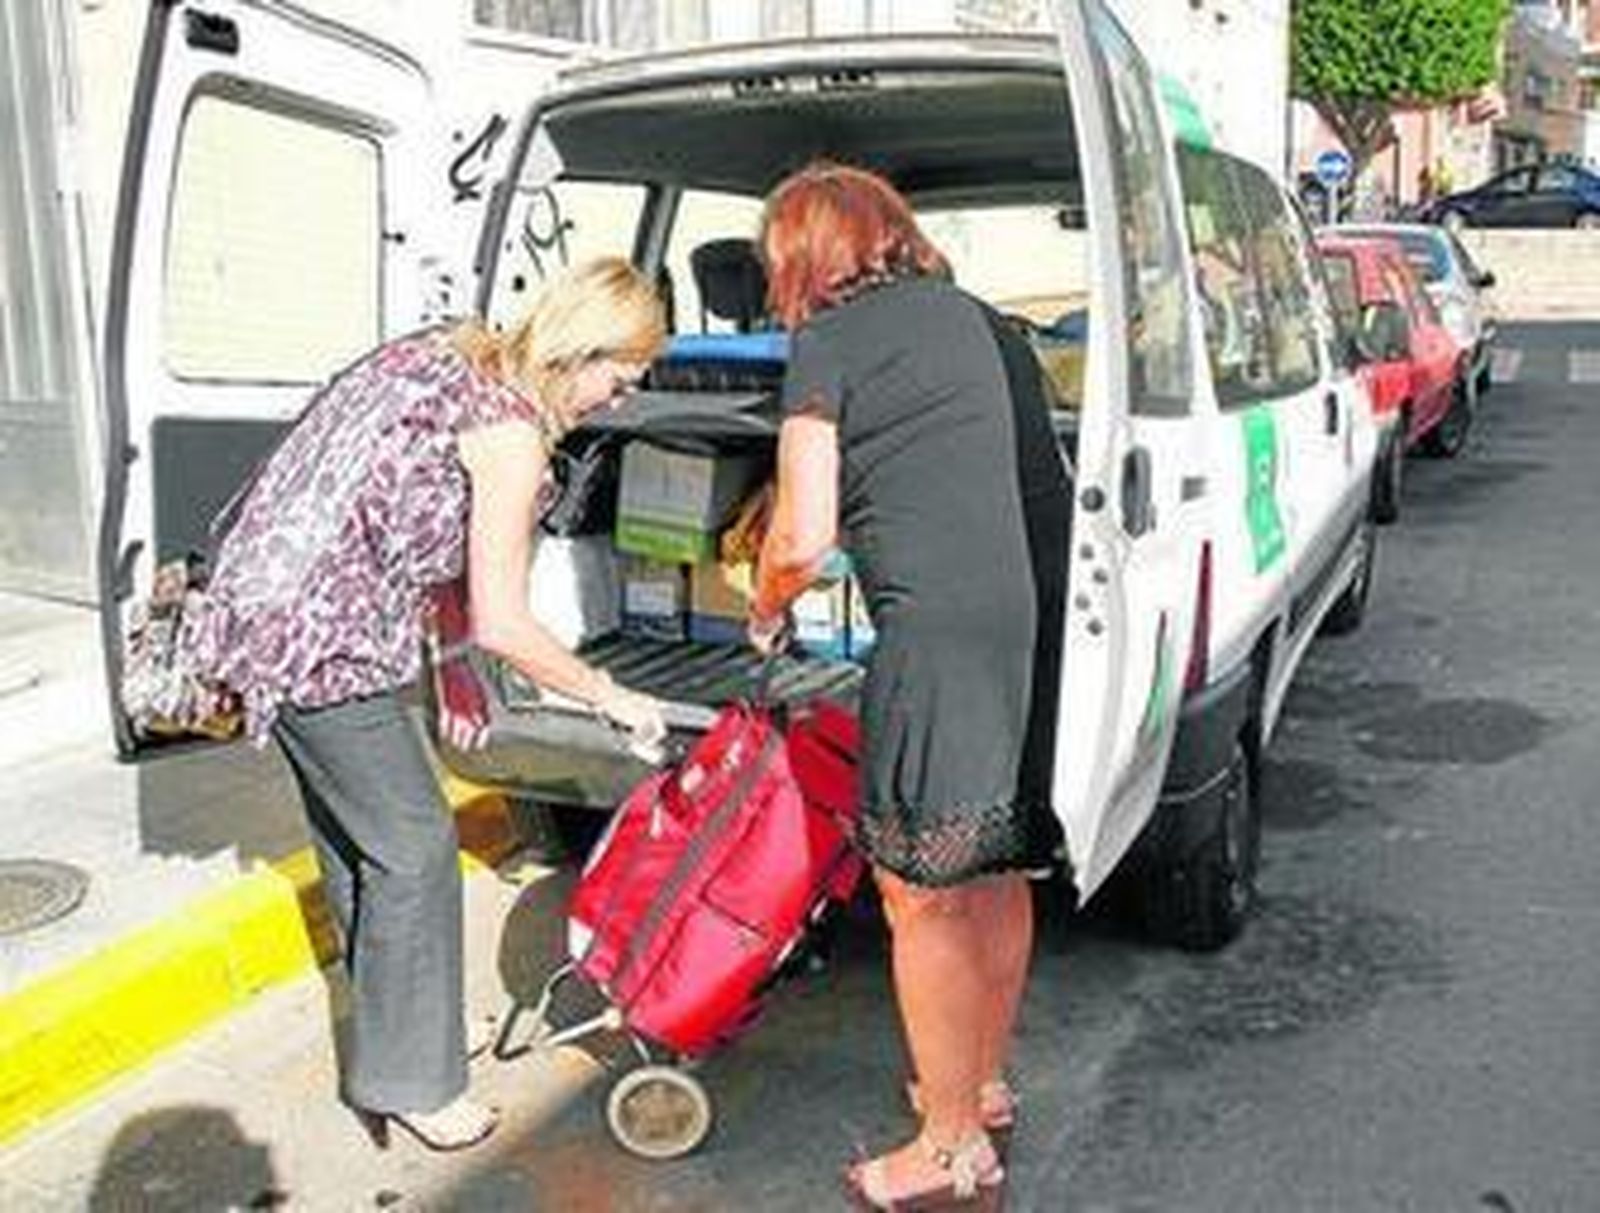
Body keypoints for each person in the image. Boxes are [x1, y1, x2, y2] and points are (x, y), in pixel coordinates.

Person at [181, 257, 670, 1151]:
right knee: (412, 848)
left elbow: (430, 530)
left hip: (265, 613)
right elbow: (506, 619)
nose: (620, 397)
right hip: (321, 642)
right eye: (621, 376)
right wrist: (613, 696)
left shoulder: (456, 357)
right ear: (579, 352)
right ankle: (417, 1081)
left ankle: (410, 1034)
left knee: (361, 842)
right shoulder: (513, 436)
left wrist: (453, 670)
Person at [749, 163, 1072, 1209]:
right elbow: (1040, 486)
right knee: (997, 863)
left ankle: (947, 1151)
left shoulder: (830, 341)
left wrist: (765, 604)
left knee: (921, 894)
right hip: (1026, 624)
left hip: (932, 635)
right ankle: (978, 1085)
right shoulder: (983, 323)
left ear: (803, 257)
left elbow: (802, 533)